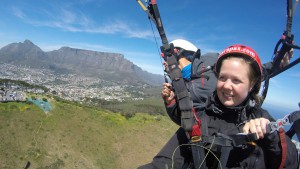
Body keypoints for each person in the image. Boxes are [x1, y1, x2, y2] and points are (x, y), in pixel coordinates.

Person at [138, 43, 298, 169]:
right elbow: (165, 161)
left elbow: (290, 164)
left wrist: (270, 135)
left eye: (236, 80)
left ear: (252, 84)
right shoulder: (201, 119)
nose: (227, 86)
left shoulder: (263, 121)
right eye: (222, 78)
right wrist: (172, 104)